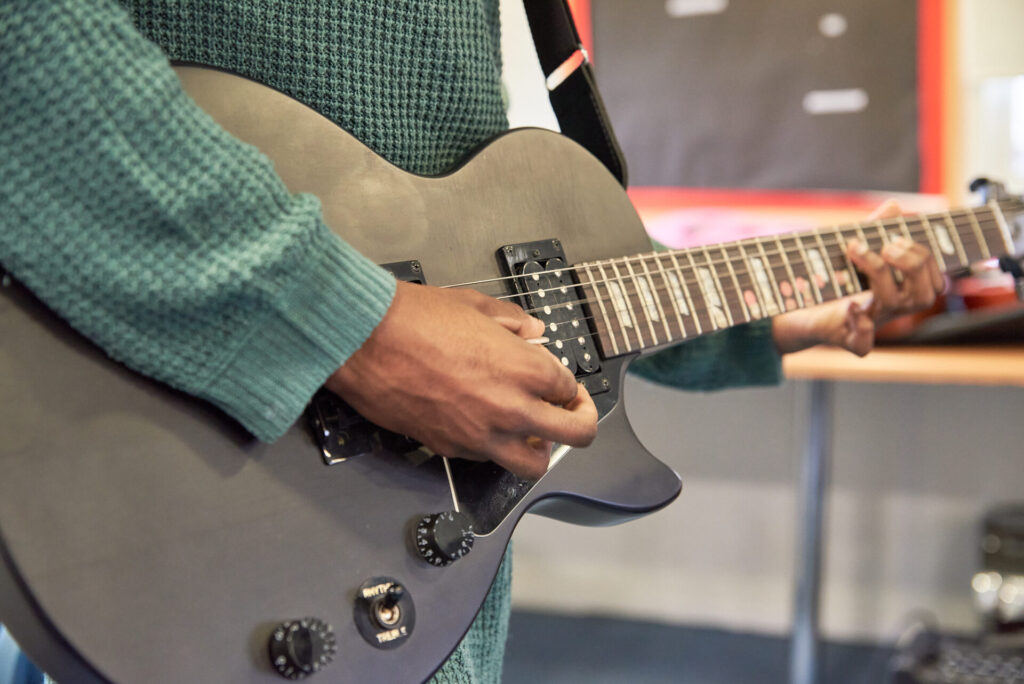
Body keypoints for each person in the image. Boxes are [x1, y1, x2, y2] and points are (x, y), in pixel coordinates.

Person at [0, 1, 942, 682]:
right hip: (174, 516)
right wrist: (353, 327)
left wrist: (764, 314)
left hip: (417, 598)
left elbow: (524, 266)